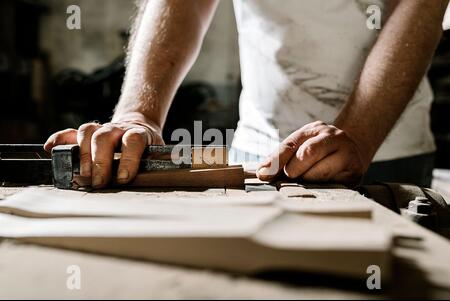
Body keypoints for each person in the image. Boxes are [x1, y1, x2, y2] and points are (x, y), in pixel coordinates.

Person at [44, 0, 449, 189]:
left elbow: (421, 6)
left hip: (387, 146)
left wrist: (359, 134)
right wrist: (138, 114)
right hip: (256, 150)